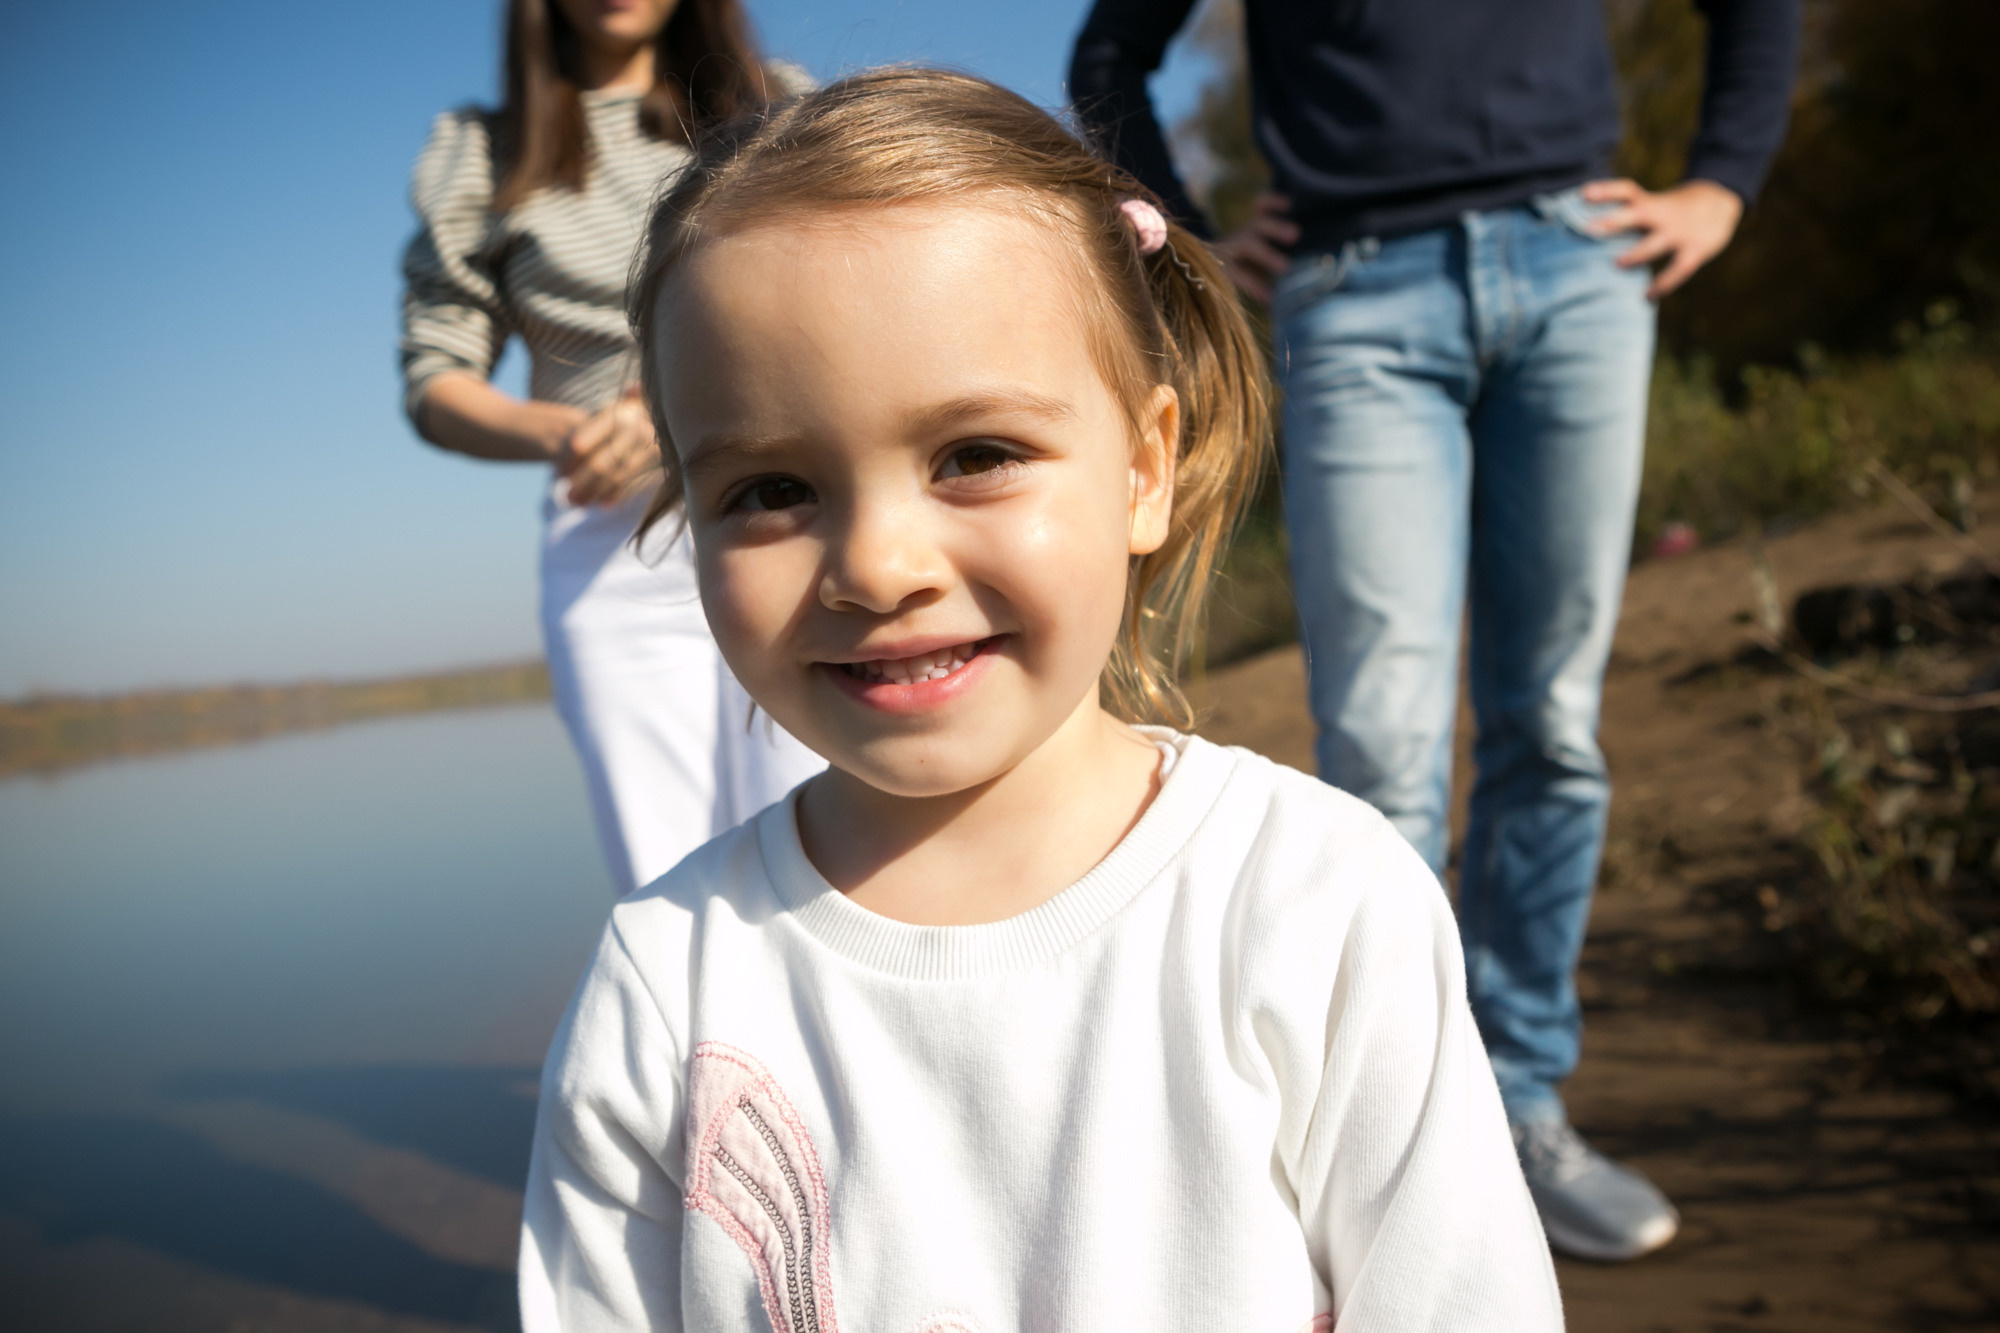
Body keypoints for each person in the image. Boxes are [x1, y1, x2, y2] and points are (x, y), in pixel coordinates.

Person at [517, 69, 1562, 1331]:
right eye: (768, 490)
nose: (877, 567)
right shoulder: (666, 980)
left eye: (975, 456)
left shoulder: (1313, 900)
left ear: (1143, 467)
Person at [1070, 0, 1800, 1261]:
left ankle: (1517, 1102)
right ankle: (1392, 1140)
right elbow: (1109, 49)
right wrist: (1187, 232)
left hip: (1583, 265)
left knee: (1550, 721)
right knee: (1381, 747)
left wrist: (1722, 184)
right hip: (1355, 295)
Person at [400, 0, 823, 898]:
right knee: (668, 878)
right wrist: (578, 430)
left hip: (792, 505)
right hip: (612, 545)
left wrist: (678, 411)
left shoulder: (775, 105)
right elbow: (436, 379)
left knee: (831, 834)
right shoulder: (483, 149)